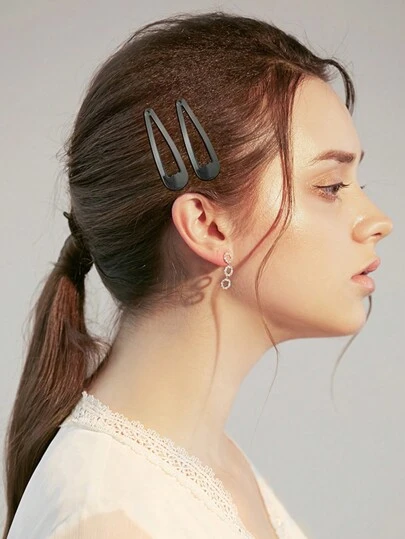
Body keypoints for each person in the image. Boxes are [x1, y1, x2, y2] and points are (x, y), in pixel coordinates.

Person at [2, 10, 393, 539]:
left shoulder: (204, 465)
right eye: (330, 187)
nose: (378, 221)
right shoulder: (111, 520)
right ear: (207, 226)